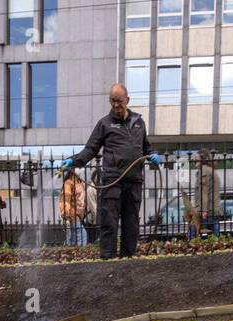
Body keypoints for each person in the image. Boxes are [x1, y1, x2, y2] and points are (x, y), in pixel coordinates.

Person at [61, 83, 161, 259]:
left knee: (131, 222)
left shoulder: (139, 122)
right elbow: (91, 149)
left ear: (127, 100)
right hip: (112, 180)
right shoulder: (105, 124)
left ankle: (128, 257)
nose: (116, 105)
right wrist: (74, 161)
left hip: (134, 180)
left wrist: (152, 155)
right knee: (109, 221)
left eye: (119, 101)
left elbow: (146, 147)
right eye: (112, 101)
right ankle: (108, 258)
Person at [194, 149, 221, 238]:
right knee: (214, 238)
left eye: (196, 157)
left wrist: (203, 210)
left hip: (207, 211)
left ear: (202, 159)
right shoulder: (209, 170)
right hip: (212, 210)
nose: (194, 159)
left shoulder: (204, 171)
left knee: (205, 238)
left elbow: (204, 192)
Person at [59, 169, 87, 246]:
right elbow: (65, 200)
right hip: (72, 215)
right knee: (82, 235)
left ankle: (70, 253)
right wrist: (66, 216)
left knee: (73, 239)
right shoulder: (68, 183)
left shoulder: (79, 182)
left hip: (78, 215)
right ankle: (82, 254)